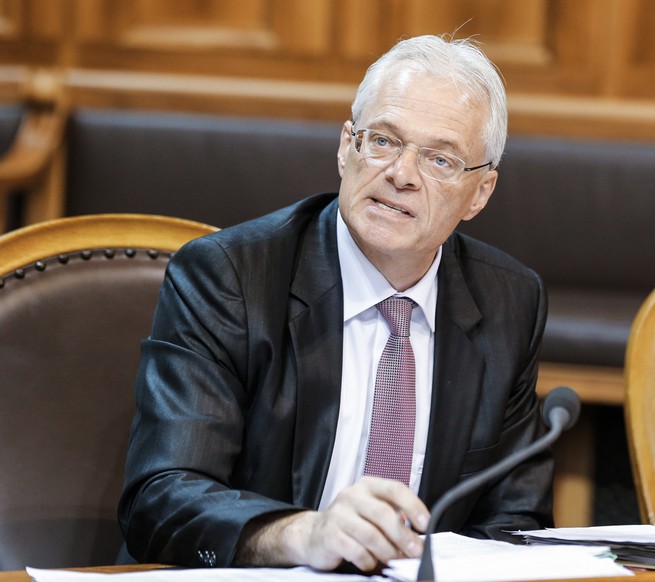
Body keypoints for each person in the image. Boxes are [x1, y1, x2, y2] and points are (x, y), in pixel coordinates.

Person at [118, 33, 552, 573]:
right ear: (347, 147)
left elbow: (513, 523)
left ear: (480, 193)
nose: (401, 175)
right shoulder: (231, 277)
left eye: (440, 160)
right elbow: (162, 499)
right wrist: (305, 535)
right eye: (384, 142)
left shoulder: (511, 300)